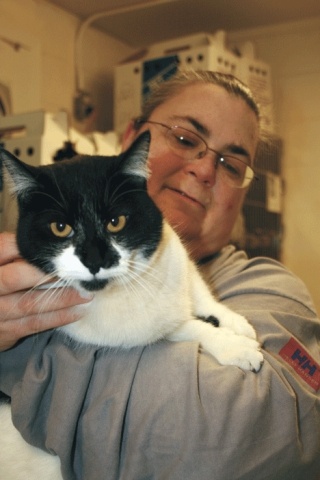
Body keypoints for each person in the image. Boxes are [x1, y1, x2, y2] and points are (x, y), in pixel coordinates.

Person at [0, 71, 319, 480]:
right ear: (133, 140)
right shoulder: (37, 262)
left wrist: (21, 360)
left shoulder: (270, 290)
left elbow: (233, 437)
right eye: (186, 139)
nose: (205, 169)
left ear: (243, 192)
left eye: (232, 163)